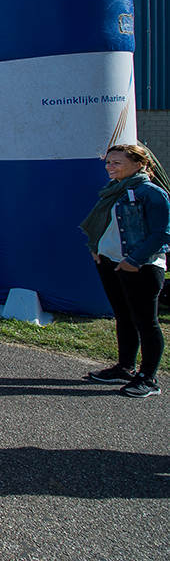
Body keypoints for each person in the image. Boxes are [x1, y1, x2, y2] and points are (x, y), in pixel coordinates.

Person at [80, 143, 169, 398]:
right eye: (108, 162)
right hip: (111, 262)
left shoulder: (151, 193)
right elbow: (103, 223)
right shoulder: (115, 190)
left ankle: (148, 378)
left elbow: (162, 233)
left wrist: (135, 260)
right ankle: (125, 367)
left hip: (140, 266)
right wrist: (96, 248)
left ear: (139, 164)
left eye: (117, 162)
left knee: (146, 321)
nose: (110, 167)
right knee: (124, 317)